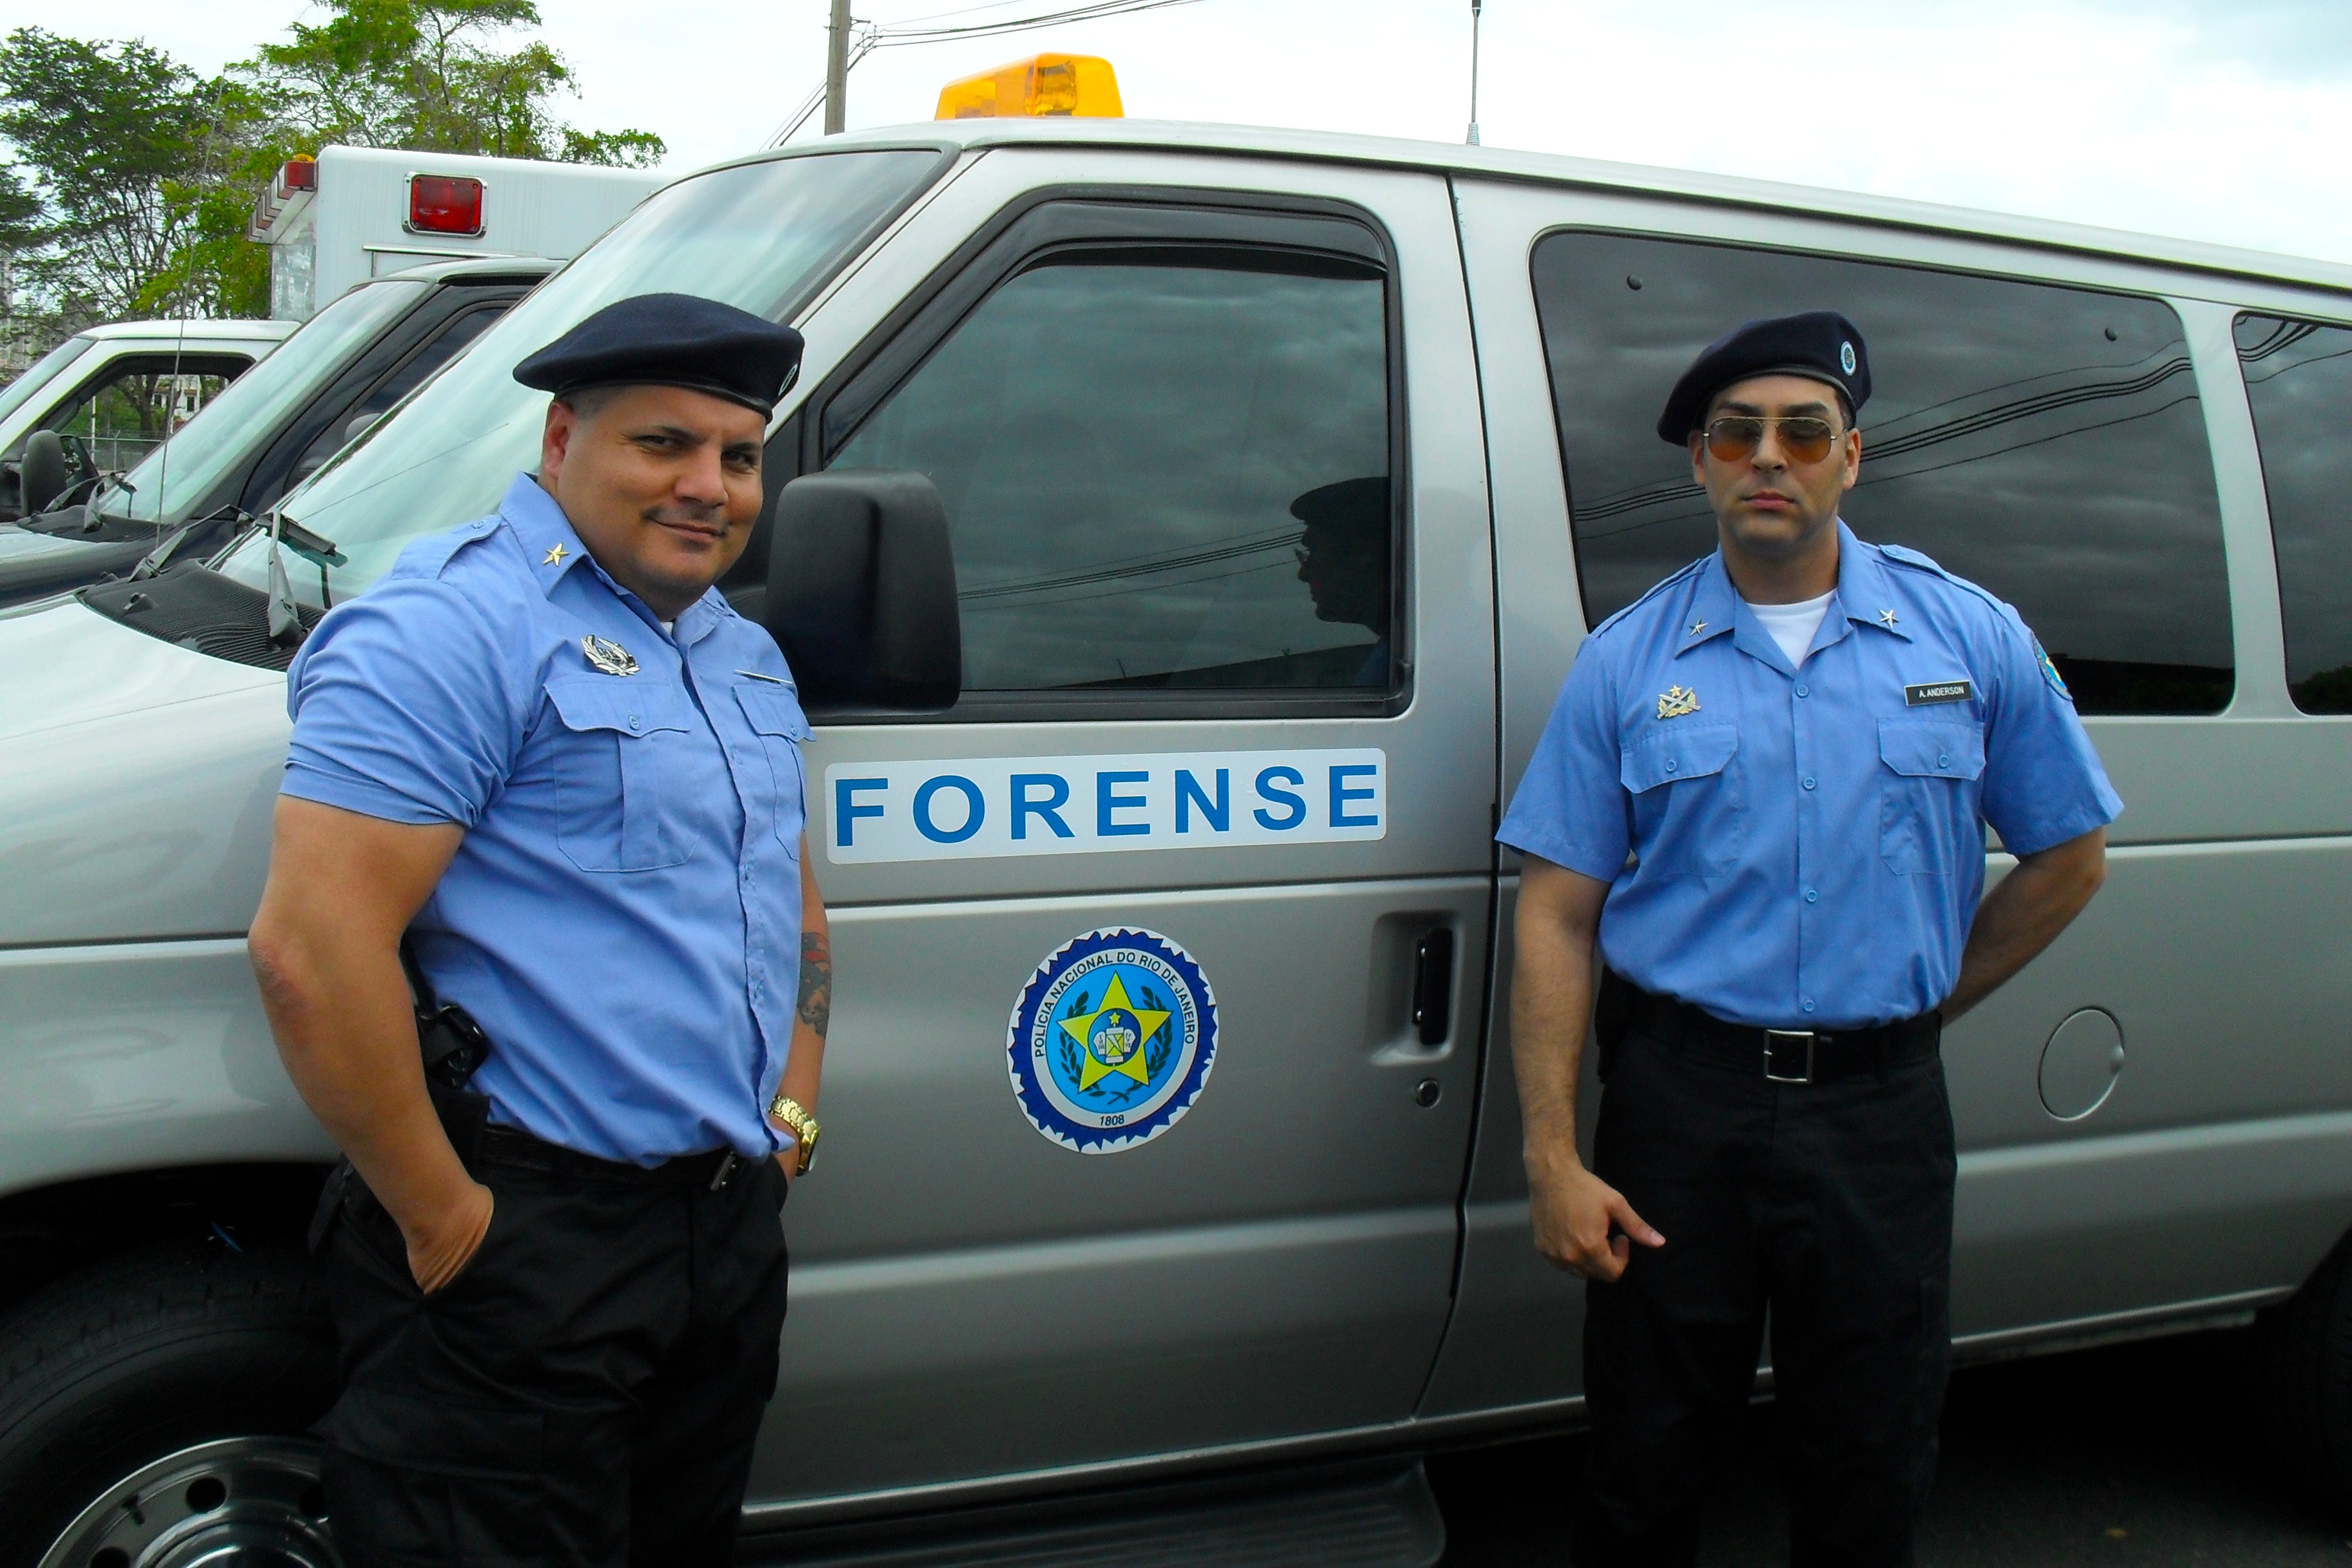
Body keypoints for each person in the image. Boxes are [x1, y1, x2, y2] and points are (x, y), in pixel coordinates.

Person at [1500, 311, 2120, 1567]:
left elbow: (2070, 855)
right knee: (1644, 1464)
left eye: (1801, 432)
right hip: (1680, 1114)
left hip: (1879, 1123)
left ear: (1852, 457)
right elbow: (1559, 911)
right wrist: (1554, 1157)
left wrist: (1931, 999)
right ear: (1700, 464)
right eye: (1736, 435)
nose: (1767, 457)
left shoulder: (1970, 639)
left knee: (1870, 1469)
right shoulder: (1625, 665)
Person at [248, 292, 828, 1567]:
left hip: (718, 1233)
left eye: (737, 457)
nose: (709, 486)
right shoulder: (452, 625)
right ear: (563, 440)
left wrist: (792, 1116)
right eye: (662, 444)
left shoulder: (742, 654)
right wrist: (447, 1219)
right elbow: (310, 949)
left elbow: (790, 900)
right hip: (526, 1238)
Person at [1290, 475, 1391, 685]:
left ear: (1364, 553)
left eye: (1314, 551)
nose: (1304, 574)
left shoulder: (1392, 675)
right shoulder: (1404, 656)